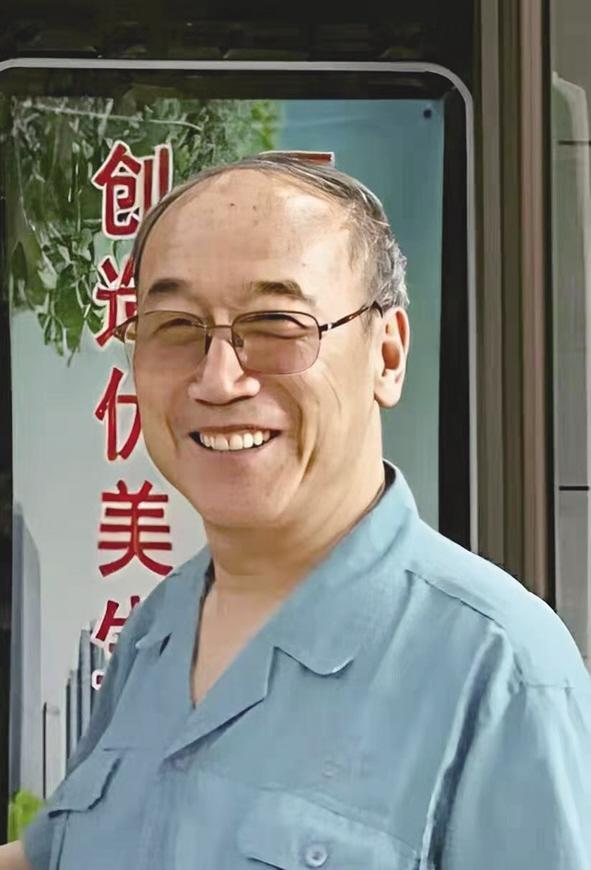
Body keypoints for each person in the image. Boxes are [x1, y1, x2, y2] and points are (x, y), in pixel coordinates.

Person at [2, 152, 590, 870]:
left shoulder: (499, 667)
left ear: (386, 356)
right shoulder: (158, 628)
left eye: (278, 323)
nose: (218, 380)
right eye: (176, 326)